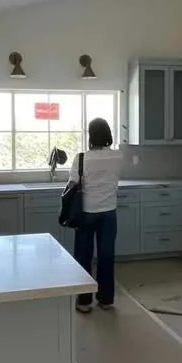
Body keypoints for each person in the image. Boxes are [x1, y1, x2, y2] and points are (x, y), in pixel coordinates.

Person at [68, 117, 122, 313]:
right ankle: (106, 299)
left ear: (90, 135)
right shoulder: (118, 156)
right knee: (106, 256)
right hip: (109, 211)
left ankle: (84, 301)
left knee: (84, 256)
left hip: (87, 212)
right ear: (108, 134)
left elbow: (72, 184)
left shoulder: (82, 158)